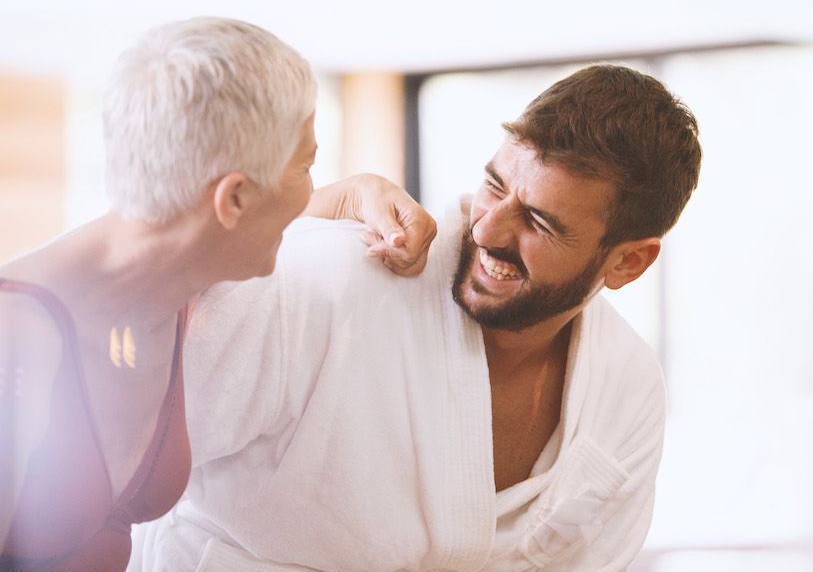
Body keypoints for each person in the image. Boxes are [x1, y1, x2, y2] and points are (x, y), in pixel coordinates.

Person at [130, 64, 702, 571]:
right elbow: (117, 456)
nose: (487, 230)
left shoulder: (628, 389)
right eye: (494, 186)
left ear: (628, 261)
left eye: (540, 223)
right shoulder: (332, 278)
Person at [0, 17, 434, 571]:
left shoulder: (175, 273)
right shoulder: (18, 337)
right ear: (233, 199)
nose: (310, 184)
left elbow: (235, 221)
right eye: (305, 164)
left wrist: (359, 193)